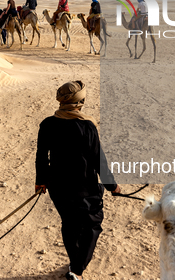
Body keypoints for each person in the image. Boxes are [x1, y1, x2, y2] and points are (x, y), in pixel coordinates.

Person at [35, 81, 121, 280]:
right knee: (93, 223)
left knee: (70, 223)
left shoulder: (47, 124)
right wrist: (112, 186)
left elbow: (41, 156)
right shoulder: (87, 126)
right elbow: (99, 160)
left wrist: (41, 181)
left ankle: (75, 262)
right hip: (84, 188)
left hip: (58, 188)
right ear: (79, 102)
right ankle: (77, 269)